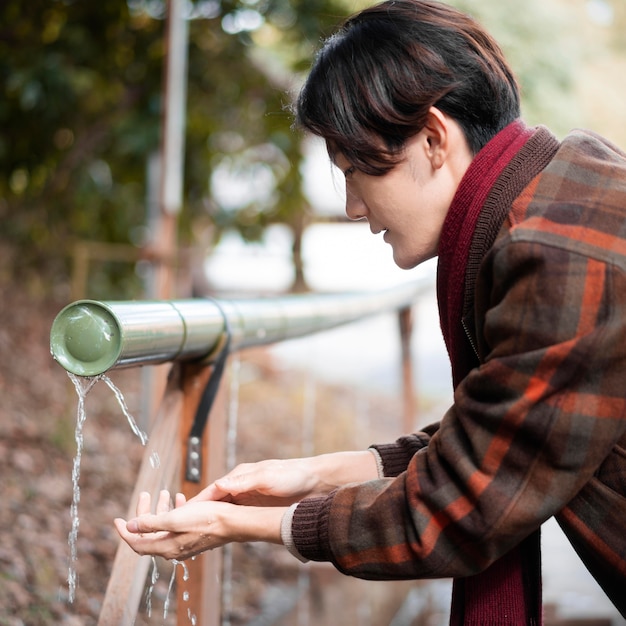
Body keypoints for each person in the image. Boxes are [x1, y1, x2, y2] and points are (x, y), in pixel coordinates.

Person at [114, 0, 626, 622]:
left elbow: (462, 506)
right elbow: (510, 434)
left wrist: (240, 523)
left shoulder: (556, 252)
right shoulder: (564, 192)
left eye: (358, 170)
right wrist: (319, 473)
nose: (354, 207)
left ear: (434, 138)